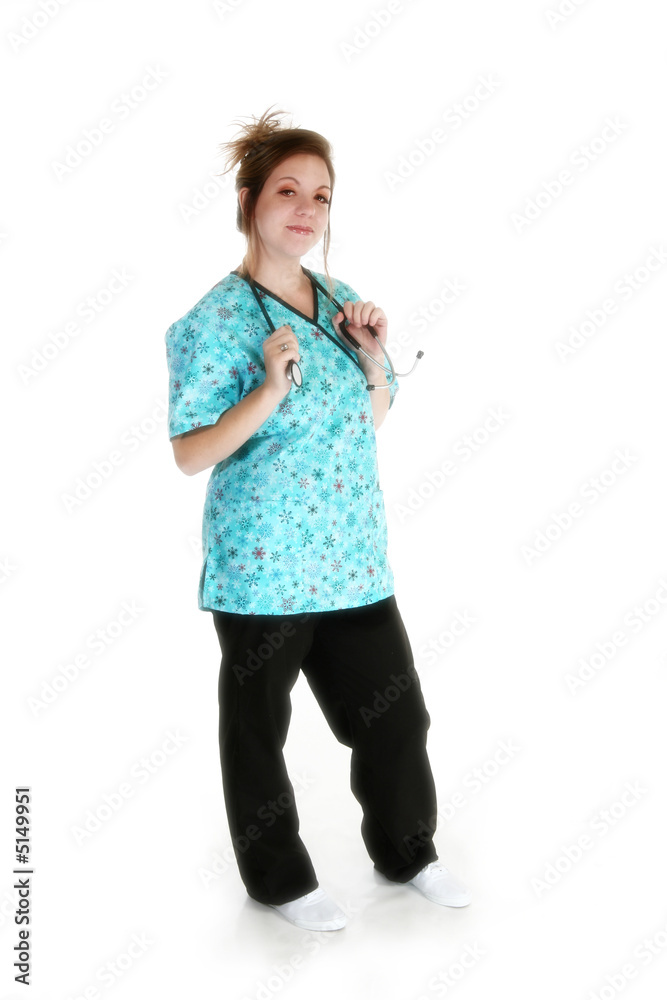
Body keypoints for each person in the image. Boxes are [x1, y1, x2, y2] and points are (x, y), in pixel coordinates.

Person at [164, 107, 471, 931]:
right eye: (287, 191)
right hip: (264, 568)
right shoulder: (214, 321)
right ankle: (278, 882)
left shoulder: (339, 300)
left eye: (322, 196)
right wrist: (268, 389)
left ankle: (408, 852)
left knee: (397, 717)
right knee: (258, 731)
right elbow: (189, 453)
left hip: (351, 559)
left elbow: (365, 422)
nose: (306, 209)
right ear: (248, 201)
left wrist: (371, 357)